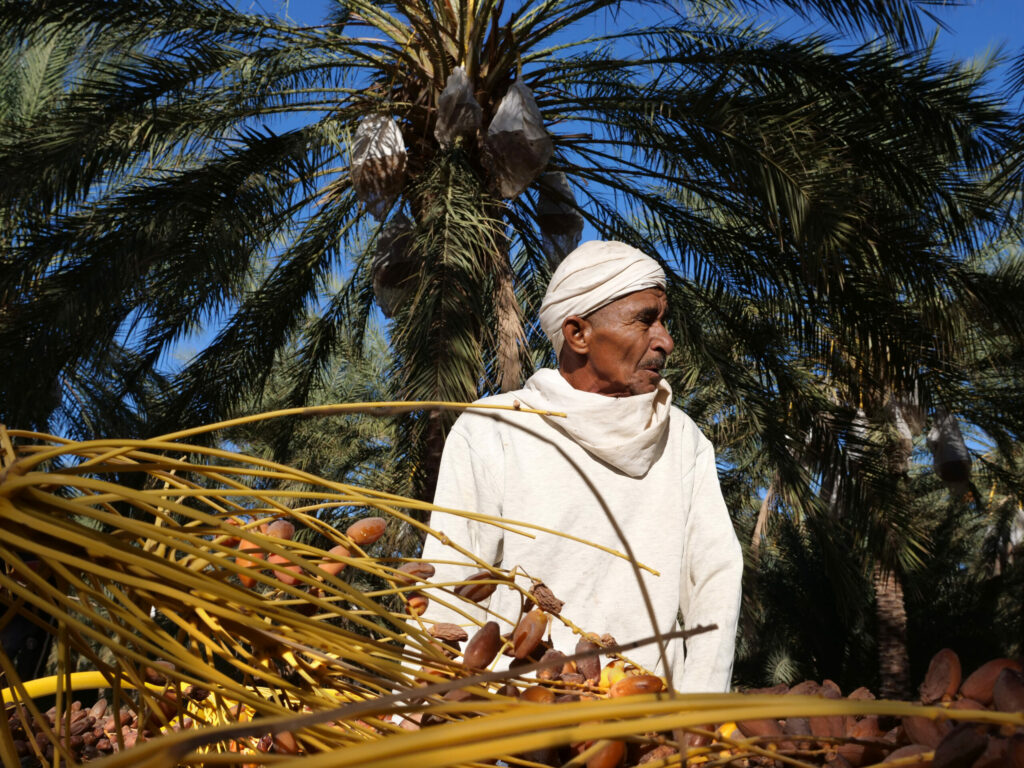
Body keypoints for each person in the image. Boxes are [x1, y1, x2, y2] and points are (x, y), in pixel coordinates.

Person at [418, 240, 743, 693]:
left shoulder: (683, 442)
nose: (665, 340)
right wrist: (430, 713)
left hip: (646, 728)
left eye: (662, 322)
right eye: (645, 320)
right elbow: (451, 578)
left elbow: (715, 581)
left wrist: (698, 716)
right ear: (578, 334)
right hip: (515, 723)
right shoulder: (496, 428)